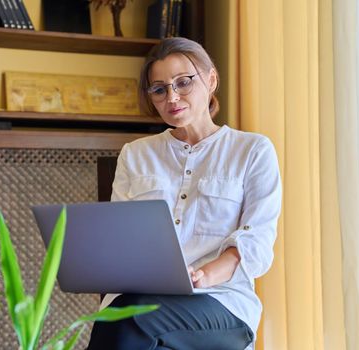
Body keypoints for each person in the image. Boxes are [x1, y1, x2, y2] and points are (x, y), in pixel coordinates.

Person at [86, 37, 282, 350]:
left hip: (222, 304)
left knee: (127, 320)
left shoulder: (252, 151)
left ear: (211, 79)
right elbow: (122, 238)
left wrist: (205, 275)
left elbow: (257, 240)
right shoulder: (135, 154)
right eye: (160, 89)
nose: (172, 97)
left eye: (183, 83)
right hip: (142, 303)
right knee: (131, 322)